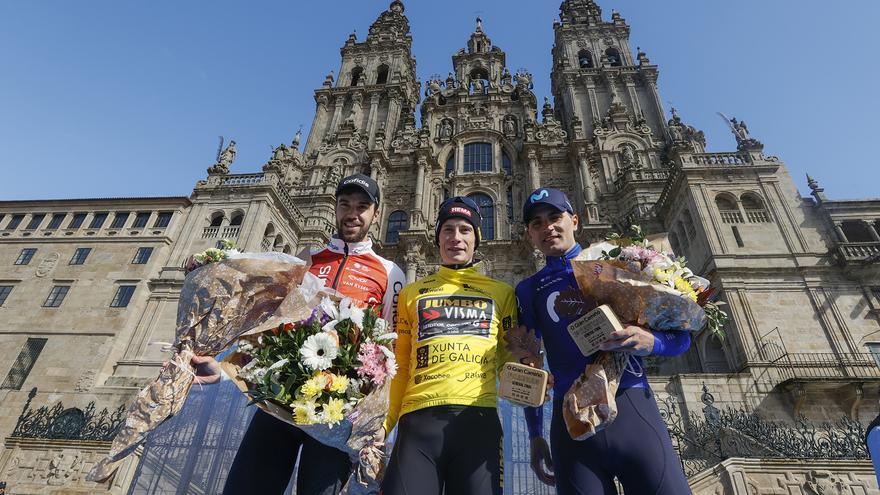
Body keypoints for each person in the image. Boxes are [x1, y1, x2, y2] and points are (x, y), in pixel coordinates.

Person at [192, 173, 405, 495]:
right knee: (247, 487)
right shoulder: (305, 260)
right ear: (335, 208)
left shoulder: (390, 272)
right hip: (279, 397)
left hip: (337, 410)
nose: (352, 213)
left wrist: (378, 422)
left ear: (376, 213)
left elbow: (388, 345)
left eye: (362, 206)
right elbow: (266, 326)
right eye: (345, 204)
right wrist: (223, 368)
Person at [516, 188, 692, 494]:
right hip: (571, 424)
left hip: (632, 407)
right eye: (537, 223)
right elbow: (529, 365)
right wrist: (535, 435)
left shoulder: (620, 265)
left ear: (575, 220)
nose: (548, 227)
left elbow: (682, 338)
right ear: (530, 234)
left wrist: (652, 342)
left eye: (555, 217)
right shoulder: (529, 290)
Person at [380, 197, 517, 495]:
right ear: (438, 237)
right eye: (448, 230)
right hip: (417, 424)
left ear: (477, 239)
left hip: (479, 422)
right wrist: (384, 425)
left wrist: (533, 376)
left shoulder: (502, 294)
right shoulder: (412, 293)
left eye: (466, 230)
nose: (456, 238)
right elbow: (400, 365)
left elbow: (510, 360)